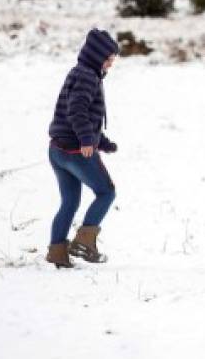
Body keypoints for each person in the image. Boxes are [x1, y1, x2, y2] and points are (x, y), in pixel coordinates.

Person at [45, 29, 120, 269]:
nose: (111, 63)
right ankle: (84, 244)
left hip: (57, 150)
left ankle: (57, 252)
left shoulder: (79, 73)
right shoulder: (88, 77)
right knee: (106, 192)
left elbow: (82, 114)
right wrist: (88, 141)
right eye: (108, 58)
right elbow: (76, 110)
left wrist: (102, 141)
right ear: (96, 56)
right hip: (77, 152)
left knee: (69, 202)